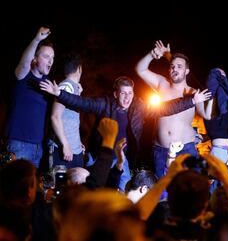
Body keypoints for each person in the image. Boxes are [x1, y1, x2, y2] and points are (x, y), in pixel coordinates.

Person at [39, 76, 211, 191]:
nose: (127, 98)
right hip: (100, 154)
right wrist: (59, 93)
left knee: (124, 188)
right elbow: (82, 102)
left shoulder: (139, 106)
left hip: (122, 158)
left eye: (130, 93)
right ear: (116, 94)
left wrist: (192, 101)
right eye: (123, 93)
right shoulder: (105, 104)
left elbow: (165, 108)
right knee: (94, 188)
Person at [135, 40, 213, 178]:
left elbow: (206, 115)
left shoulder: (193, 92)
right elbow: (140, 69)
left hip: (186, 149)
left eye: (179, 66)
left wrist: (212, 96)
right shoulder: (161, 83)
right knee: (163, 190)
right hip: (161, 150)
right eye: (172, 66)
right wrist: (152, 55)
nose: (174, 69)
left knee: (190, 188)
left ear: (186, 71)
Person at [4, 27, 54, 168]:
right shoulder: (23, 76)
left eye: (52, 57)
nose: (50, 61)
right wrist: (37, 39)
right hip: (17, 144)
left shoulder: (48, 82)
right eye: (46, 56)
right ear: (35, 58)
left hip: (38, 147)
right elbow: (24, 64)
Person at [49, 53, 84, 169]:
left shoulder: (73, 87)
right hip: (63, 151)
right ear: (79, 69)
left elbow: (70, 118)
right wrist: (65, 144)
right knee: (61, 186)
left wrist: (78, 144)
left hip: (74, 150)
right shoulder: (66, 86)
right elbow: (55, 116)